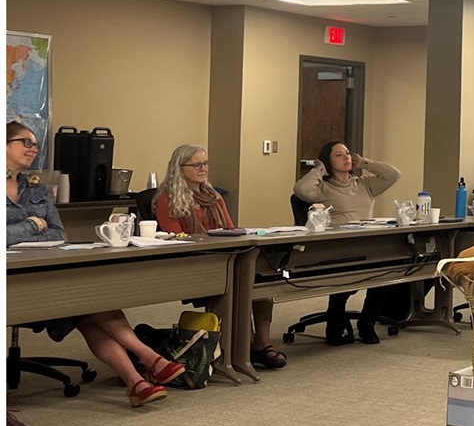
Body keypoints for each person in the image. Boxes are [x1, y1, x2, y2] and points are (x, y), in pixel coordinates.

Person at [6, 121, 183, 407]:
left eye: (35, 144)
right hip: (13, 285)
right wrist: (31, 225)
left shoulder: (35, 188)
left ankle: (136, 381)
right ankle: (149, 359)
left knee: (87, 303)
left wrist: (24, 231)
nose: (33, 149)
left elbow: (57, 232)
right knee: (86, 305)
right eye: (25, 142)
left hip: (44, 275)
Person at [156, 142, 285, 369]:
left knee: (263, 278)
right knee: (242, 283)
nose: (203, 168)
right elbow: (174, 238)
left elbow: (230, 228)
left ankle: (261, 344)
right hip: (195, 261)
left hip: (224, 256)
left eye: (205, 163)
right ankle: (245, 347)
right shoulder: (168, 199)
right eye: (196, 164)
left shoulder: (213, 195)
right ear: (179, 168)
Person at [293, 141, 402, 345]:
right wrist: (319, 170)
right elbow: (300, 190)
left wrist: (365, 163)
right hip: (338, 246)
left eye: (348, 154)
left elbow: (393, 174)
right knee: (345, 274)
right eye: (339, 155)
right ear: (327, 161)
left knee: (387, 270)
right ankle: (334, 321)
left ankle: (367, 323)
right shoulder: (322, 188)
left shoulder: (364, 184)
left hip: (367, 242)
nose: (347, 158)